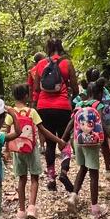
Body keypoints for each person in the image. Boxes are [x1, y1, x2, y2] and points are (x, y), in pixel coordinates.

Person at [29, 38, 78, 192]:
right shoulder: (67, 63)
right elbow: (76, 88)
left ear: (48, 48)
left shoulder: (40, 64)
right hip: (63, 107)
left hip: (44, 107)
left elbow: (36, 87)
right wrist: (69, 97)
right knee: (64, 140)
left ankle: (51, 177)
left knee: (50, 143)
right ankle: (64, 171)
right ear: (60, 47)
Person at [5, 83, 52, 219]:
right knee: (34, 178)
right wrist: (57, 141)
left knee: (21, 179)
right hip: (31, 149)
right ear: (26, 96)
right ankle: (31, 207)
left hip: (17, 150)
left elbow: (7, 133)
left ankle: (20, 212)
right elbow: (42, 130)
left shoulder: (11, 112)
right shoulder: (32, 112)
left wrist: (7, 150)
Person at [63, 78, 107, 218]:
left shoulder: (79, 104)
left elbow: (71, 122)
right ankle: (95, 208)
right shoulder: (97, 105)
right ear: (99, 93)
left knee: (82, 168)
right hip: (91, 142)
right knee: (94, 173)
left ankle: (73, 196)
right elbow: (102, 125)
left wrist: (63, 139)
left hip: (78, 141)